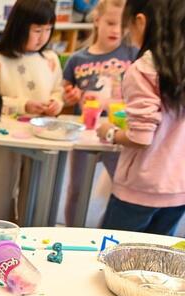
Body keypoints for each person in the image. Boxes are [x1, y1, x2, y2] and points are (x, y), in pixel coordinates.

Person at [96, 0, 185, 235]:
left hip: (141, 189)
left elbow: (141, 137)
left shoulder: (143, 70)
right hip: (179, 189)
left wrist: (110, 132)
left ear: (140, 21)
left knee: (115, 250)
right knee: (155, 253)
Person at [0, 0, 63, 224]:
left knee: (35, 192)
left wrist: (56, 103)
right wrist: (23, 105)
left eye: (48, 30)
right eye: (37, 30)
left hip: (42, 135)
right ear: (19, 26)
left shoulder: (51, 60)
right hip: (6, 136)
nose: (43, 37)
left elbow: (58, 91)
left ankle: (31, 232)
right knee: (1, 190)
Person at [62, 0, 136, 226]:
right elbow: (65, 97)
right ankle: (72, 231)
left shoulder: (133, 54)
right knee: (76, 189)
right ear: (97, 21)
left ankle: (105, 230)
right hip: (85, 135)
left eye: (122, 25)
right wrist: (69, 97)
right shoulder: (77, 59)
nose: (117, 30)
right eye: (111, 23)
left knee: (121, 191)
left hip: (118, 134)